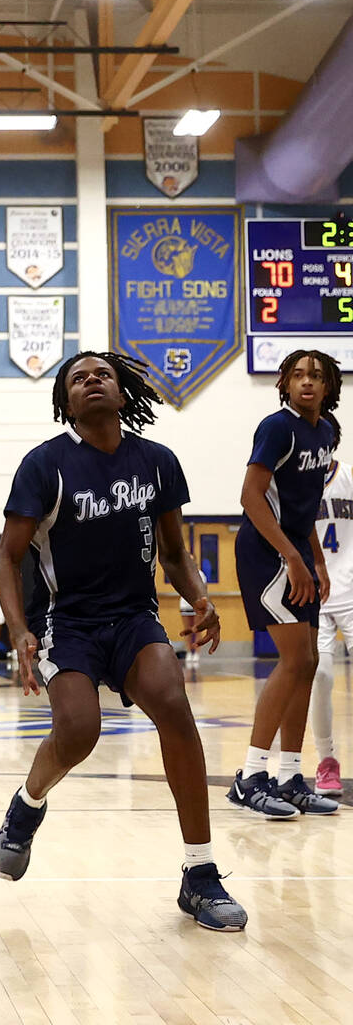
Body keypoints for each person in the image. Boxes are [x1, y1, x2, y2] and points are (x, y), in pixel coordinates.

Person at [0, 351, 247, 931]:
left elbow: (175, 553)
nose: (91, 382)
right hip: (68, 620)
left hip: (133, 616)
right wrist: (21, 631)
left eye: (101, 374)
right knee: (79, 731)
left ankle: (200, 874)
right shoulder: (45, 465)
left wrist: (200, 598)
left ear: (123, 393)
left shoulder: (157, 462)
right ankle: (26, 808)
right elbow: (7, 558)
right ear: (66, 402)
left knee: (174, 705)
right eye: (77, 378)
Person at [228, 350, 342, 818]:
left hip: (296, 552)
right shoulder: (277, 427)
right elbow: (250, 497)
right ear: (285, 383)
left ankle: (291, 776)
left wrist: (316, 560)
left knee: (309, 662)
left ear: (330, 385)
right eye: (298, 375)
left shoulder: (327, 431)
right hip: (266, 553)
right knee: (295, 659)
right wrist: (293, 557)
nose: (307, 382)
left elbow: (305, 504)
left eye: (315, 375)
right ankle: (250, 776)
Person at [309, 456, 353, 794]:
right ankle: (327, 761)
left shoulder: (348, 477)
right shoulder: (292, 480)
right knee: (321, 676)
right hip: (313, 591)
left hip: (350, 589)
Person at [177, 561, 207, 668]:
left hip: (196, 604)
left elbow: (202, 591)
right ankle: (189, 652)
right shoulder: (181, 574)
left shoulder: (201, 575)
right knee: (187, 630)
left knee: (197, 629)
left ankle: (197, 654)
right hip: (184, 604)